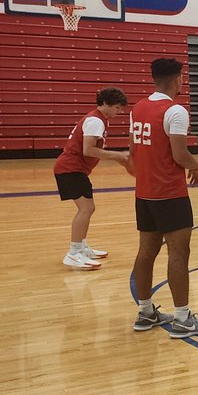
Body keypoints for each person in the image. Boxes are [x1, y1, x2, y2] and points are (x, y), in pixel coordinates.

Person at [129, 58, 198, 338]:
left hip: (144, 193)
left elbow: (133, 152)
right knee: (179, 253)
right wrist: (196, 165)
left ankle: (145, 313)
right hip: (169, 192)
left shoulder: (138, 107)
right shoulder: (175, 111)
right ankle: (182, 319)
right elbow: (180, 155)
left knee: (146, 251)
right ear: (178, 79)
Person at [54, 87, 132, 269]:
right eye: (117, 108)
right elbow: (88, 150)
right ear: (105, 103)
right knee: (86, 208)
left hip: (74, 169)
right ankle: (73, 253)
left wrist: (119, 159)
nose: (119, 112)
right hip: (70, 169)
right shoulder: (95, 121)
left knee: (88, 208)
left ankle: (80, 247)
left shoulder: (98, 119)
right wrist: (118, 155)